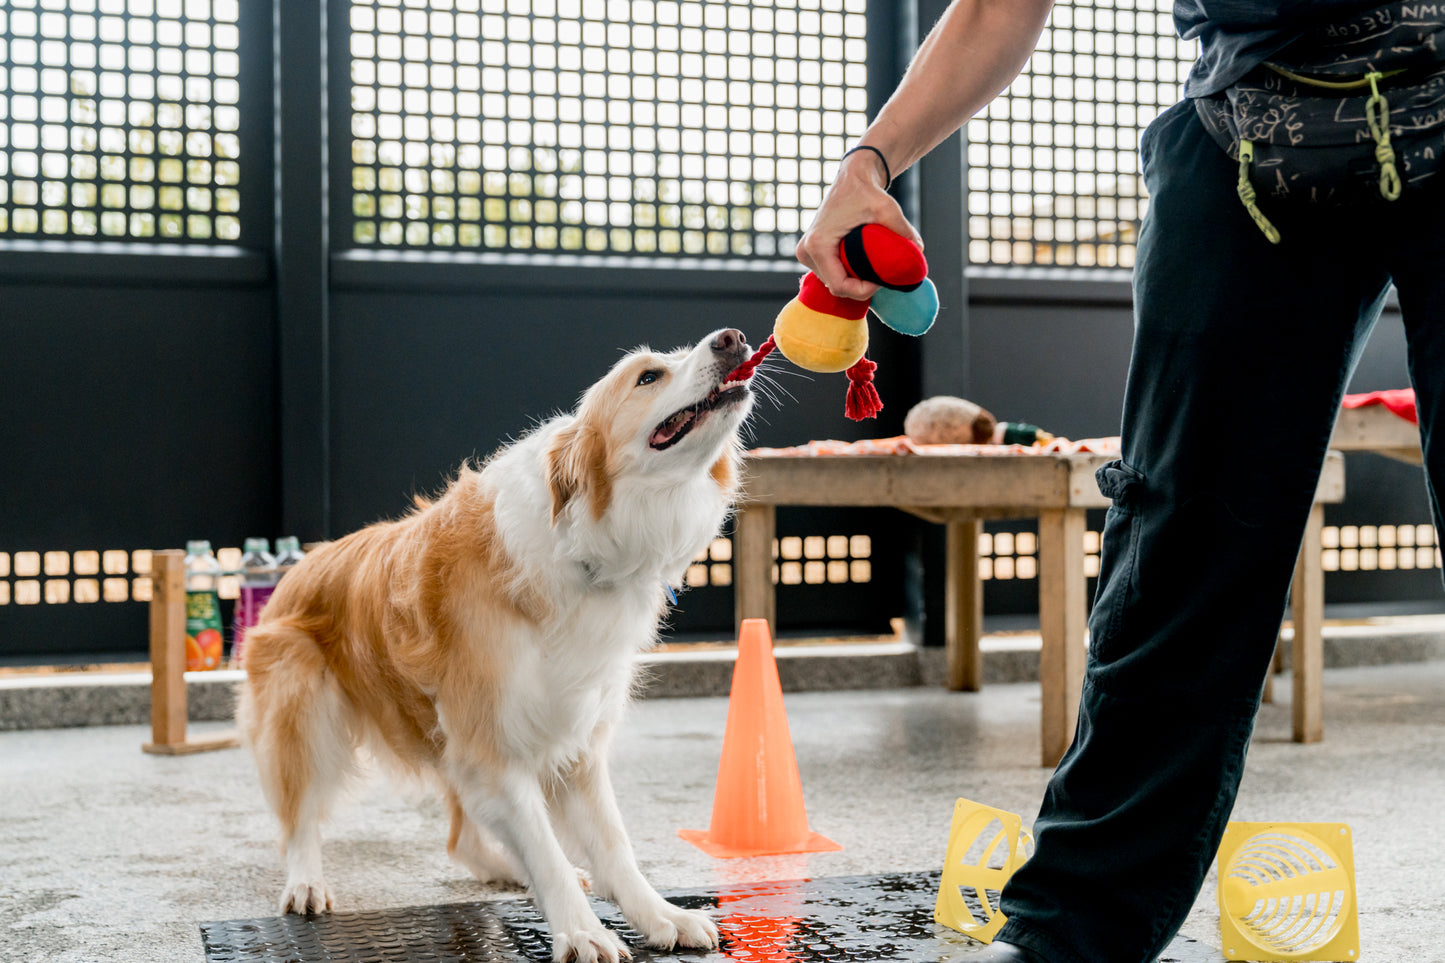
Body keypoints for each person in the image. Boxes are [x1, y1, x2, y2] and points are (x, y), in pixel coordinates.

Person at [797, 1, 1445, 960]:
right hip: (1246, 136)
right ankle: (1067, 934)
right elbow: (997, 6)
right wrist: (869, 162)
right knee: (1176, 547)